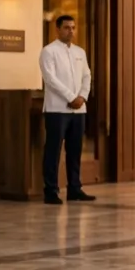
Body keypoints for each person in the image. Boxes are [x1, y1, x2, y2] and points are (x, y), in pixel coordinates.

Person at [39, 15, 95, 205]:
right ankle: (51, 191)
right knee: (53, 151)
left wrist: (82, 97)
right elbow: (51, 80)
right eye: (66, 28)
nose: (70, 31)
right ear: (57, 29)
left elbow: (87, 76)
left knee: (75, 150)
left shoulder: (80, 52)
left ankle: (75, 188)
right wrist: (71, 97)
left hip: (79, 110)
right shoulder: (48, 51)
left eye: (73, 27)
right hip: (57, 110)